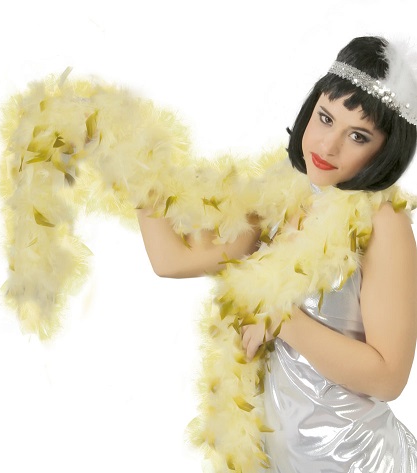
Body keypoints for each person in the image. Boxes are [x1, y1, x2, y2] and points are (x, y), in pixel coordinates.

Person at [137, 36, 417, 472]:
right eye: (325, 118)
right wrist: (133, 167)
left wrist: (282, 318)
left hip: (358, 461)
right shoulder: (280, 198)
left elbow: (388, 378)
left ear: (385, 151)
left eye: (357, 136)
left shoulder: (383, 223)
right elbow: (171, 261)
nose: (328, 146)